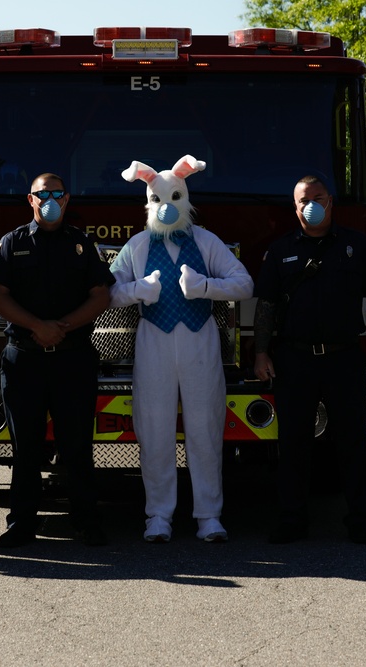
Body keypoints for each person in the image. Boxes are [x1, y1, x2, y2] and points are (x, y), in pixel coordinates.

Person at [110, 155, 254, 543]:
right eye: (157, 199)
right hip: (153, 344)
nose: (166, 206)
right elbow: (104, 292)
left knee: (205, 429)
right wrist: (137, 291)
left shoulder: (207, 242)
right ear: (147, 201)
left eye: (173, 197)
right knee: (153, 430)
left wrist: (206, 287)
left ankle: (209, 515)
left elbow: (244, 284)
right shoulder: (137, 246)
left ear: (185, 196)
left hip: (200, 343)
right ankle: (158, 516)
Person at [253, 175, 366, 545]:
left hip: (344, 358)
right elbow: (265, 305)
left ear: (330, 201)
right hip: (293, 360)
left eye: (317, 197)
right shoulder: (280, 249)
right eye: (303, 200)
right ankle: (292, 520)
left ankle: (360, 520)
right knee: (293, 444)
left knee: (351, 443)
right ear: (294, 206)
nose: (310, 205)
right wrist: (261, 352)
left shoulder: (356, 245)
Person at [0, 172, 114, 548]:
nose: (50, 199)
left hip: (73, 359)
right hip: (24, 359)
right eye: (43, 193)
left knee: (77, 445)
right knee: (24, 446)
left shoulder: (81, 243)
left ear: (67, 199)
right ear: (30, 199)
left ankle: (87, 522)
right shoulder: (12, 243)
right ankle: (21, 524)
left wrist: (62, 327)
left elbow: (101, 294)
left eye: (57, 193)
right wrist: (37, 327)